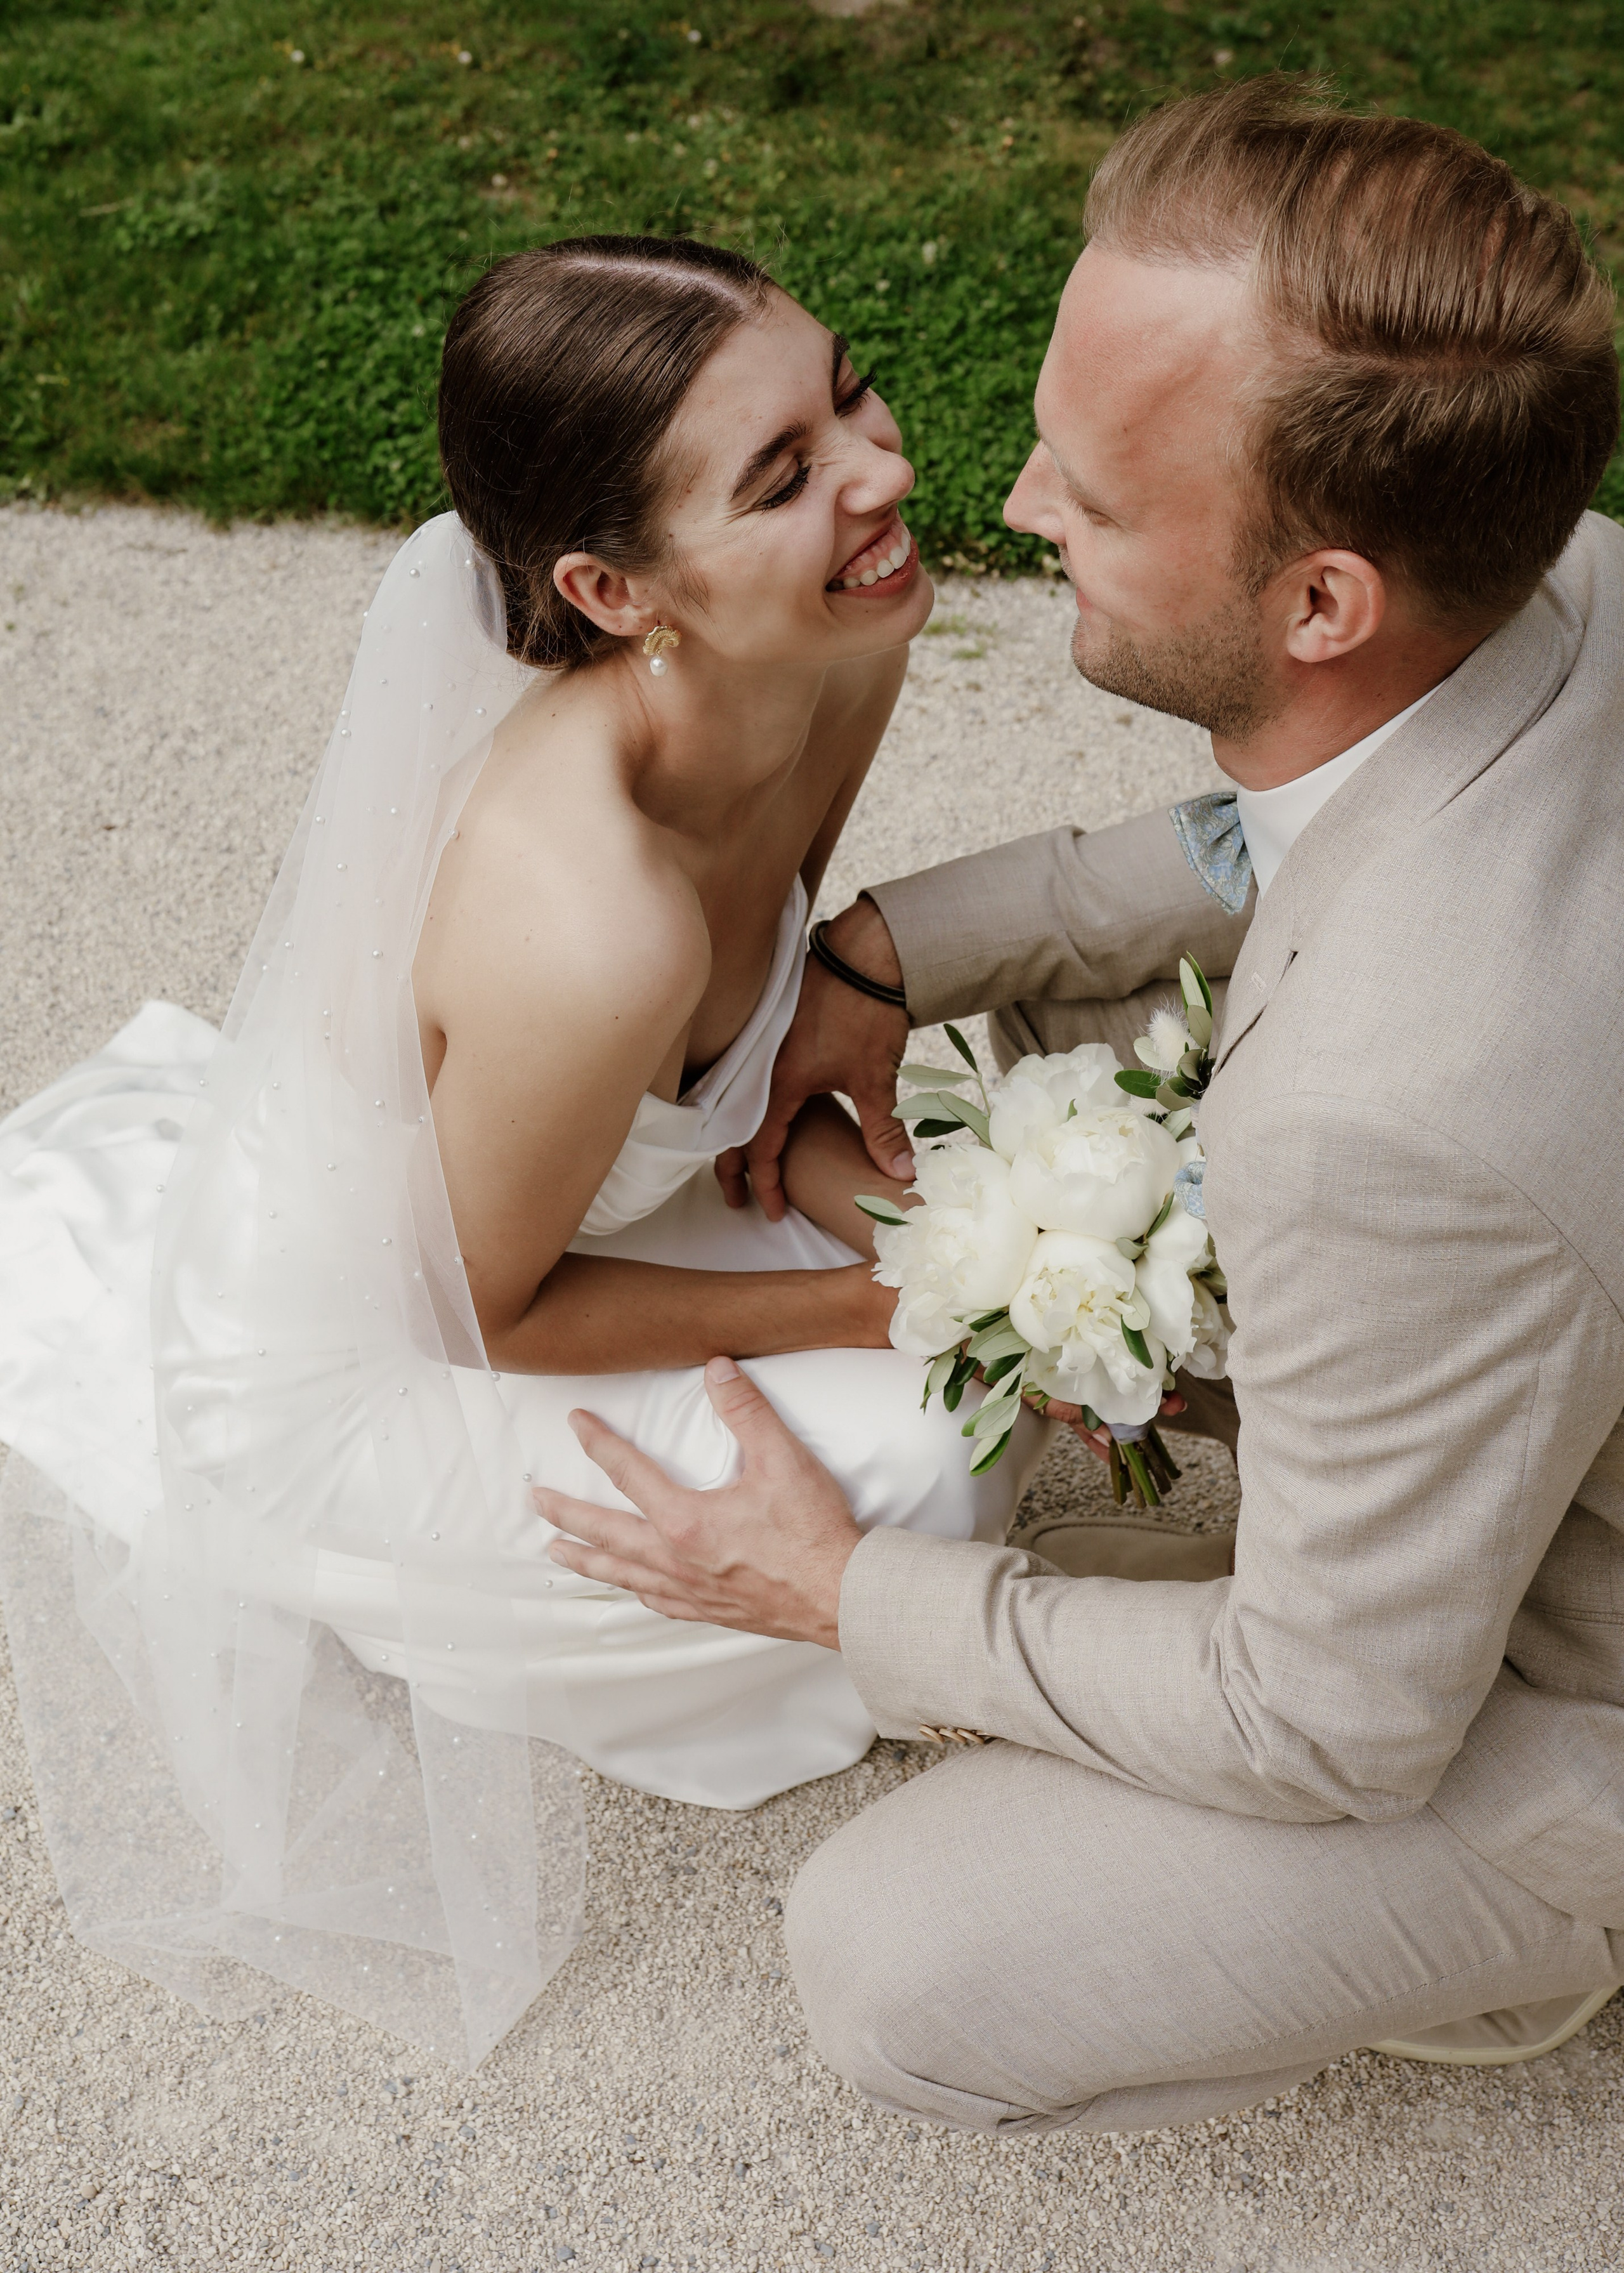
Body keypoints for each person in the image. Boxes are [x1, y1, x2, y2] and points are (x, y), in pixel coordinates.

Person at [538, 78, 1624, 2127]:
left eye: (1101, 498)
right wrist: (898, 951)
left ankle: (1553, 1927)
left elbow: (1332, 1723)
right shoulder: (1566, 572)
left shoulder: (1392, 1120)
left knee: (900, 1969)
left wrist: (836, 1595)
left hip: (1577, 1681)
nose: (1019, 498)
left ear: (1324, 604)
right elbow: (1264, 838)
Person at [0, 237, 1047, 2066]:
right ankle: (385, 1588)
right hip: (366, 1347)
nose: (877, 474)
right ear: (612, 589)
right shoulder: (591, 923)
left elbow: (749, 1044)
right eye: (785, 475)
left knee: (1000, 1288)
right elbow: (482, 1315)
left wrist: (945, 1234)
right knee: (925, 1452)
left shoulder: (841, 648)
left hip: (582, 1187)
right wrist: (885, 1301)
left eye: (848, 395)